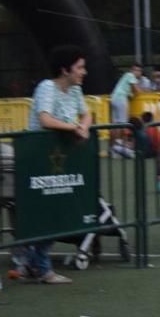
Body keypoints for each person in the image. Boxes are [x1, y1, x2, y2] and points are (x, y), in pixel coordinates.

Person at [23, 45, 94, 284]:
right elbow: (44, 119)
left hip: (59, 163)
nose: (83, 72)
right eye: (79, 67)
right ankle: (40, 266)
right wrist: (74, 128)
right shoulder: (46, 87)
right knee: (47, 212)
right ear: (65, 70)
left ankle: (33, 263)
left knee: (58, 210)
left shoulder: (75, 91)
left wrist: (83, 125)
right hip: (38, 161)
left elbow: (87, 113)